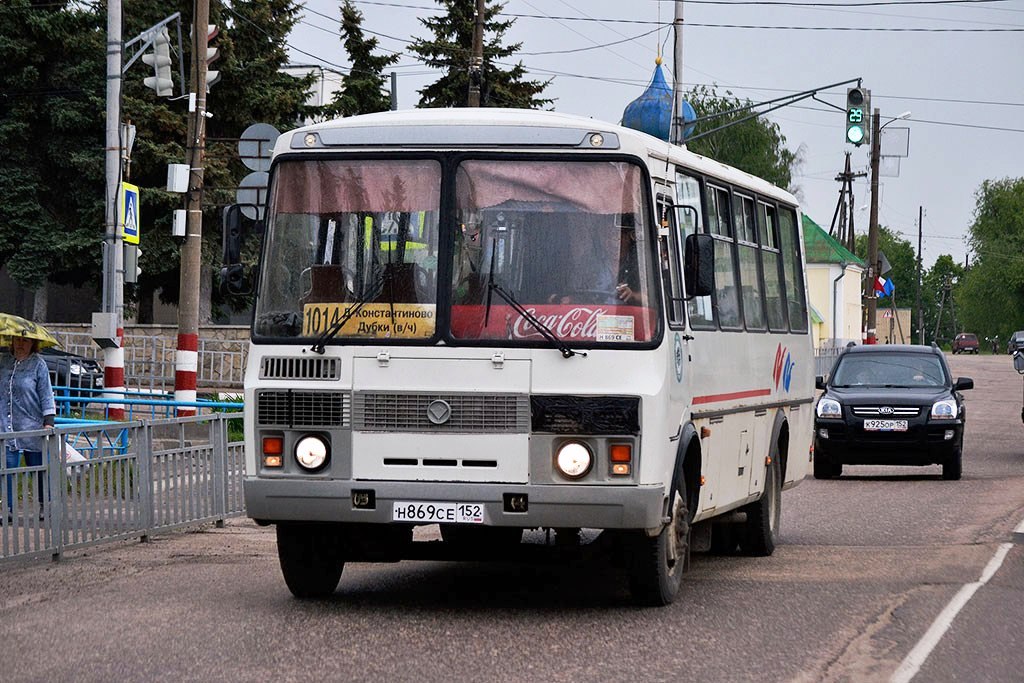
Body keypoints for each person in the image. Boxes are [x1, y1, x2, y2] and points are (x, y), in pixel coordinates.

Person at [1, 335, 56, 519]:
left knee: (39, 467)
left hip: (32, 425)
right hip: (6, 425)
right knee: (6, 467)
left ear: (33, 343)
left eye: (25, 341)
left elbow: (46, 394)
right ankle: (6, 508)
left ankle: (44, 504)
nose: (20, 344)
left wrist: (49, 422)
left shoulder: (38, 365)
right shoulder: (4, 362)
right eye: (17, 340)